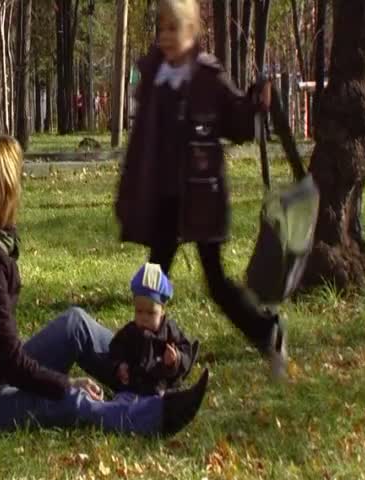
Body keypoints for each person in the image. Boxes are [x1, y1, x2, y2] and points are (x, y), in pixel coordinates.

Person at [0, 133, 209, 437]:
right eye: (16, 180)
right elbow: (11, 362)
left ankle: (148, 369)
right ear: (3, 189)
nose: (20, 188)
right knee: (73, 400)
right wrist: (64, 383)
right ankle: (156, 416)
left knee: (75, 325)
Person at [115, 0, 287, 379]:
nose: (166, 37)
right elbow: (142, 142)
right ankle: (143, 353)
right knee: (152, 278)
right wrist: (130, 192)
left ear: (191, 32)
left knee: (216, 282)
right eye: (162, 29)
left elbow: (238, 123)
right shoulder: (154, 75)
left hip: (201, 200)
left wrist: (255, 104)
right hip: (164, 199)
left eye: (174, 29)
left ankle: (267, 330)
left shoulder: (207, 77)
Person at [110, 263, 199, 396]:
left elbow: (185, 350)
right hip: (134, 386)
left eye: (151, 313)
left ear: (162, 310)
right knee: (124, 399)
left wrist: (175, 359)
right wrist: (120, 365)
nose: (144, 318)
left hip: (161, 385)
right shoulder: (131, 331)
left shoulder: (169, 331)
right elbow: (116, 347)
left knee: (167, 395)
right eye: (139, 312)